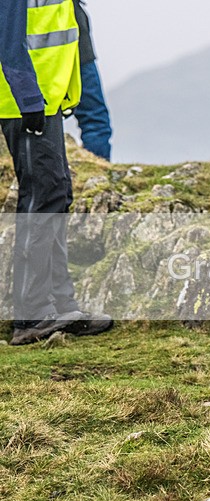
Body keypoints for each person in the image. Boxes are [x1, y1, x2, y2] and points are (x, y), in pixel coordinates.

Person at [1, 0, 112, 345]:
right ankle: (32, 315)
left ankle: (61, 305)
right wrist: (30, 99)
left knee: (56, 195)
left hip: (44, 102)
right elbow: (7, 36)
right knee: (40, 198)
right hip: (26, 104)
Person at [71, 0, 112, 160]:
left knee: (39, 121)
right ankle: (99, 173)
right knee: (95, 119)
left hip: (27, 51)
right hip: (76, 44)